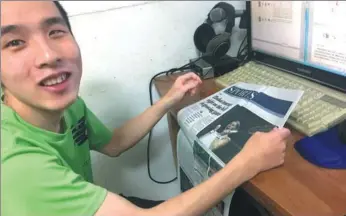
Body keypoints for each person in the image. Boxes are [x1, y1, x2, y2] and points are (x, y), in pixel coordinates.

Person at [1, 1, 291, 216]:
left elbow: (114, 144)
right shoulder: (15, 163)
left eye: (55, 32)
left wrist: (168, 100)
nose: (48, 56)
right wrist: (248, 162)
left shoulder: (69, 105)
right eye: (15, 42)